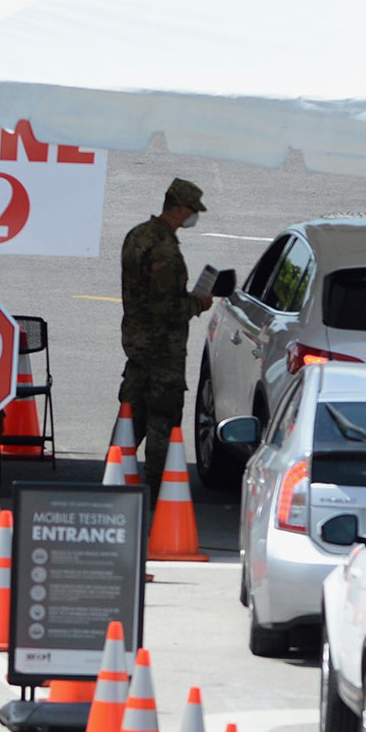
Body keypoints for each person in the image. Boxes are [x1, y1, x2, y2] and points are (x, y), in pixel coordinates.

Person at [120, 177, 215, 499]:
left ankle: (114, 476)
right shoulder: (164, 250)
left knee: (131, 412)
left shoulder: (137, 235)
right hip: (162, 348)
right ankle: (155, 486)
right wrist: (197, 303)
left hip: (137, 341)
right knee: (162, 416)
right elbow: (166, 308)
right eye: (191, 210)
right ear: (179, 208)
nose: (193, 217)